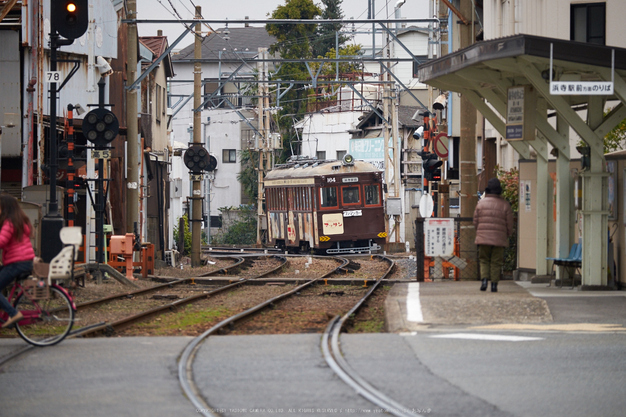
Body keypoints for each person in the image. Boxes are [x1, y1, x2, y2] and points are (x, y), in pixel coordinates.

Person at [0, 194, 35, 328]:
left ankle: (13, 313)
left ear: (5, 208)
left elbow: (2, 241)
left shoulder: (9, 222)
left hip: (17, 263)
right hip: (24, 262)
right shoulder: (20, 220)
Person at [473, 178, 514, 292]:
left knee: (484, 260)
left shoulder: (480, 204)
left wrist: (479, 232)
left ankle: (484, 280)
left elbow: (475, 221)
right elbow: (509, 223)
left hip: (483, 238)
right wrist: (507, 234)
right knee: (496, 261)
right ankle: (494, 284)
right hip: (499, 238)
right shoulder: (505, 205)